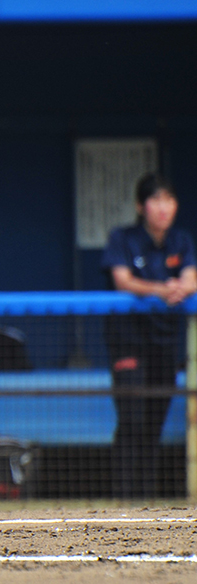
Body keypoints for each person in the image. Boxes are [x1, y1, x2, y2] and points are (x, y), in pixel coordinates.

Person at [102, 172, 196, 499]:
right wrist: (161, 288)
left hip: (166, 343)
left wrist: (180, 286)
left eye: (168, 200)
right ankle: (124, 500)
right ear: (141, 206)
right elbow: (122, 280)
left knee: (154, 421)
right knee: (131, 419)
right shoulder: (122, 238)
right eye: (156, 200)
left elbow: (190, 279)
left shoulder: (181, 241)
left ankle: (147, 503)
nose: (163, 208)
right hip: (128, 340)